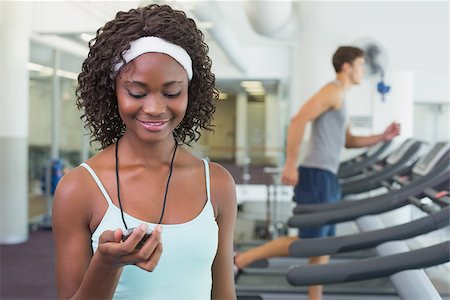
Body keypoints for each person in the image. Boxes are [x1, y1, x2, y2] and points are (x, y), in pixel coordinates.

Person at [52, 4, 237, 299]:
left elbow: (224, 294)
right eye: (137, 92)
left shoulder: (217, 183)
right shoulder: (78, 188)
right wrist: (106, 264)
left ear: (191, 91)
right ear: (112, 91)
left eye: (172, 92)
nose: (154, 108)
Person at [234, 46, 400, 300]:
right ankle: (241, 259)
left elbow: (349, 140)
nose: (363, 70)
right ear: (347, 66)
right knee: (307, 242)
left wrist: (382, 137)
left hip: (327, 176)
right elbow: (299, 120)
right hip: (316, 175)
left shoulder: (342, 97)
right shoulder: (332, 90)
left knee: (323, 246)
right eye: (361, 64)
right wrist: (290, 163)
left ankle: (315, 297)